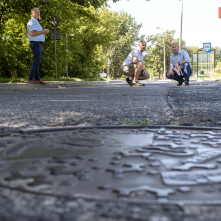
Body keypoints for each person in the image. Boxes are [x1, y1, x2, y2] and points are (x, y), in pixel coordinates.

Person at [27, 8, 50, 84]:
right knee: (37, 61)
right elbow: (32, 33)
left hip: (39, 44)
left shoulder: (36, 22)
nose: (38, 13)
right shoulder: (31, 22)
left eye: (39, 12)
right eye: (36, 12)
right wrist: (44, 31)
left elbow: (37, 33)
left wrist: (43, 31)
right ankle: (30, 78)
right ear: (32, 13)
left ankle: (37, 78)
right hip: (35, 43)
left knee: (38, 61)